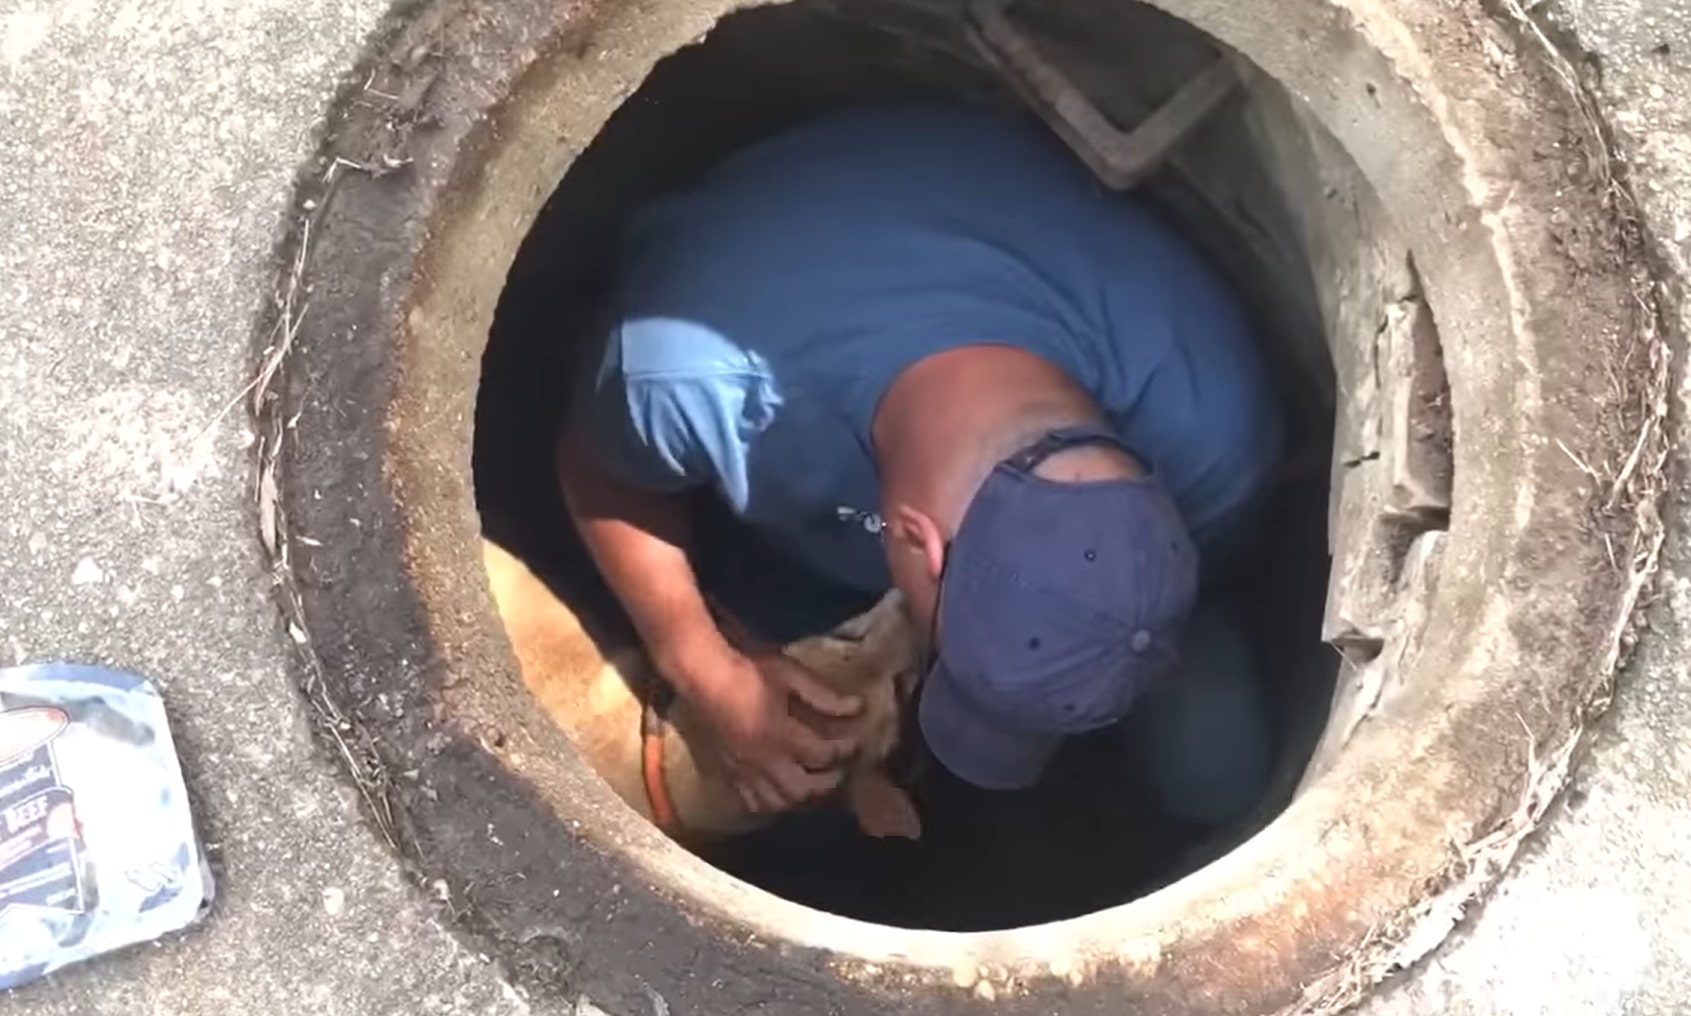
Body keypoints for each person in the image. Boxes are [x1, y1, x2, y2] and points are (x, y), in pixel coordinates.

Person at [557, 102, 1285, 828]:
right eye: (947, 658)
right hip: (777, 413)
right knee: (791, 750)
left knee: (1218, 781)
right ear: (914, 542)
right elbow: (600, 473)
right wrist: (703, 664)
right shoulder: (685, 380)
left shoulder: (1214, 425)